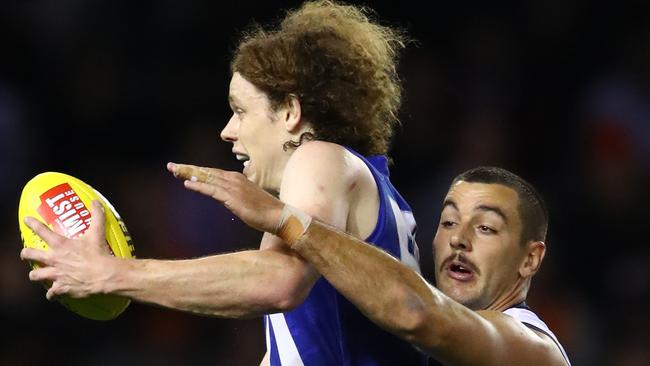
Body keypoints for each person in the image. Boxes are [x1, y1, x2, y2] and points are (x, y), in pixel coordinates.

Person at [20, 1, 427, 365]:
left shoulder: (319, 157)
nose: (227, 131)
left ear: (290, 112)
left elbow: (278, 281)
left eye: (240, 111)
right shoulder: (367, 192)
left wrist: (111, 273)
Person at [166, 164, 572, 365]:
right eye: (447, 222)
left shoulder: (534, 349)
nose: (458, 238)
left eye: (485, 228)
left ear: (530, 259)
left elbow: (417, 312)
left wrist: (285, 219)